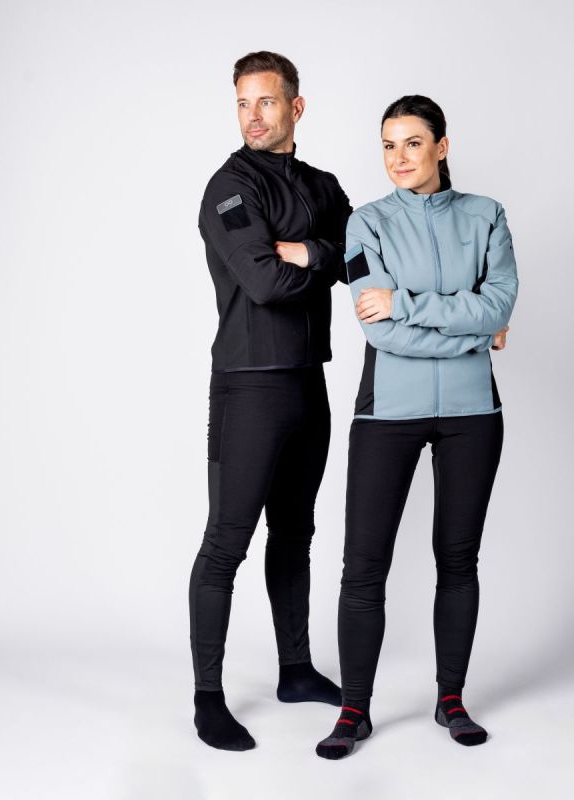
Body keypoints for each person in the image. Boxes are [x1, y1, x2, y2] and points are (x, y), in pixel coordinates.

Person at [315, 95, 517, 759]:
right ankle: (354, 710)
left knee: (458, 560)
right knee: (363, 566)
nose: (398, 158)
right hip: (388, 415)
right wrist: (473, 332)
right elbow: (379, 330)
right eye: (388, 145)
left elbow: (499, 303)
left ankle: (451, 699)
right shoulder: (366, 223)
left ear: (441, 146)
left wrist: (406, 302)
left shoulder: (487, 216)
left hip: (472, 415)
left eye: (412, 143)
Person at [189, 51, 352, 752]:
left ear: (295, 106)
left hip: (308, 383)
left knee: (295, 533)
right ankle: (208, 699)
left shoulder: (323, 186)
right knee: (227, 542)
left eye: (266, 101)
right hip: (249, 386)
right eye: (242, 103)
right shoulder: (230, 188)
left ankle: (295, 670)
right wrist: (320, 261)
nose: (252, 116)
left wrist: (308, 253)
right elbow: (262, 284)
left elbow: (361, 257)